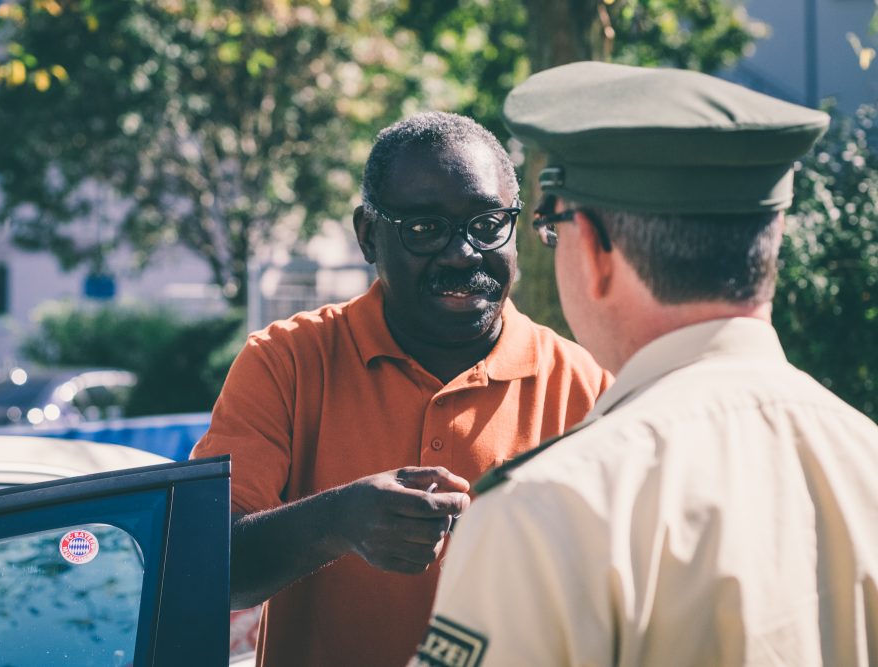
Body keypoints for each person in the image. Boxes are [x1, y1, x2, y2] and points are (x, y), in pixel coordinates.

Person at [415, 63, 878, 667]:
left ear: (597, 252)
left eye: (553, 229)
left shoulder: (549, 509)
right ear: (774, 234)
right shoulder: (862, 455)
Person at [191, 111, 612, 667]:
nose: (462, 253)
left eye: (487, 225)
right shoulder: (287, 361)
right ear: (369, 235)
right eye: (424, 228)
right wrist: (338, 522)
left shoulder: (582, 385)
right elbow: (202, 570)